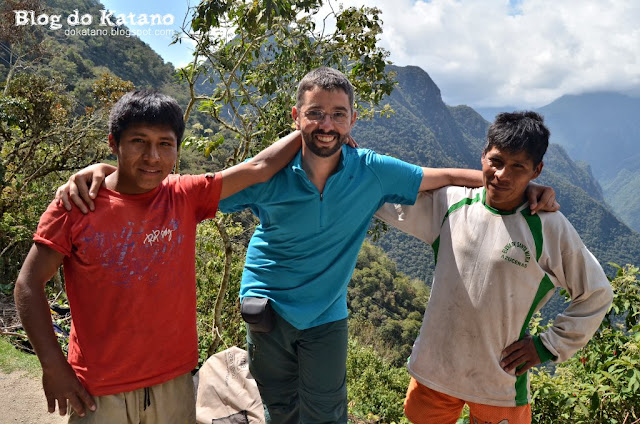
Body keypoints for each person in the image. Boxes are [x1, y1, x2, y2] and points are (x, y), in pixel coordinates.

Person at [56, 69, 558, 423]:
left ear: (353, 120)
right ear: (297, 116)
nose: (326, 124)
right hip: (266, 306)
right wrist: (107, 173)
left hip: (324, 313)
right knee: (278, 404)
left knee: (326, 410)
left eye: (338, 115)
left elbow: (442, 176)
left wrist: (512, 184)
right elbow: (176, 190)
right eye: (316, 113)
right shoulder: (270, 175)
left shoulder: (372, 171)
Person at [14, 90, 314, 423]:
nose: (152, 156)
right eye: (138, 142)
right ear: (114, 143)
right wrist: (53, 366)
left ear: (177, 149)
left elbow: (259, 167)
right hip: (99, 388)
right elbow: (28, 284)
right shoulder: (77, 204)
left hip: (173, 382)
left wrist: (314, 128)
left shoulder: (183, 195)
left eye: (165, 144)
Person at [375, 111, 613, 424]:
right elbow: (378, 193)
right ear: (483, 156)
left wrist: (546, 346)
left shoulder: (549, 227)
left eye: (518, 167)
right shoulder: (450, 204)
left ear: (537, 170)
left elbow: (597, 293)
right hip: (435, 369)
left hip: (499, 381)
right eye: (496, 161)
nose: (502, 174)